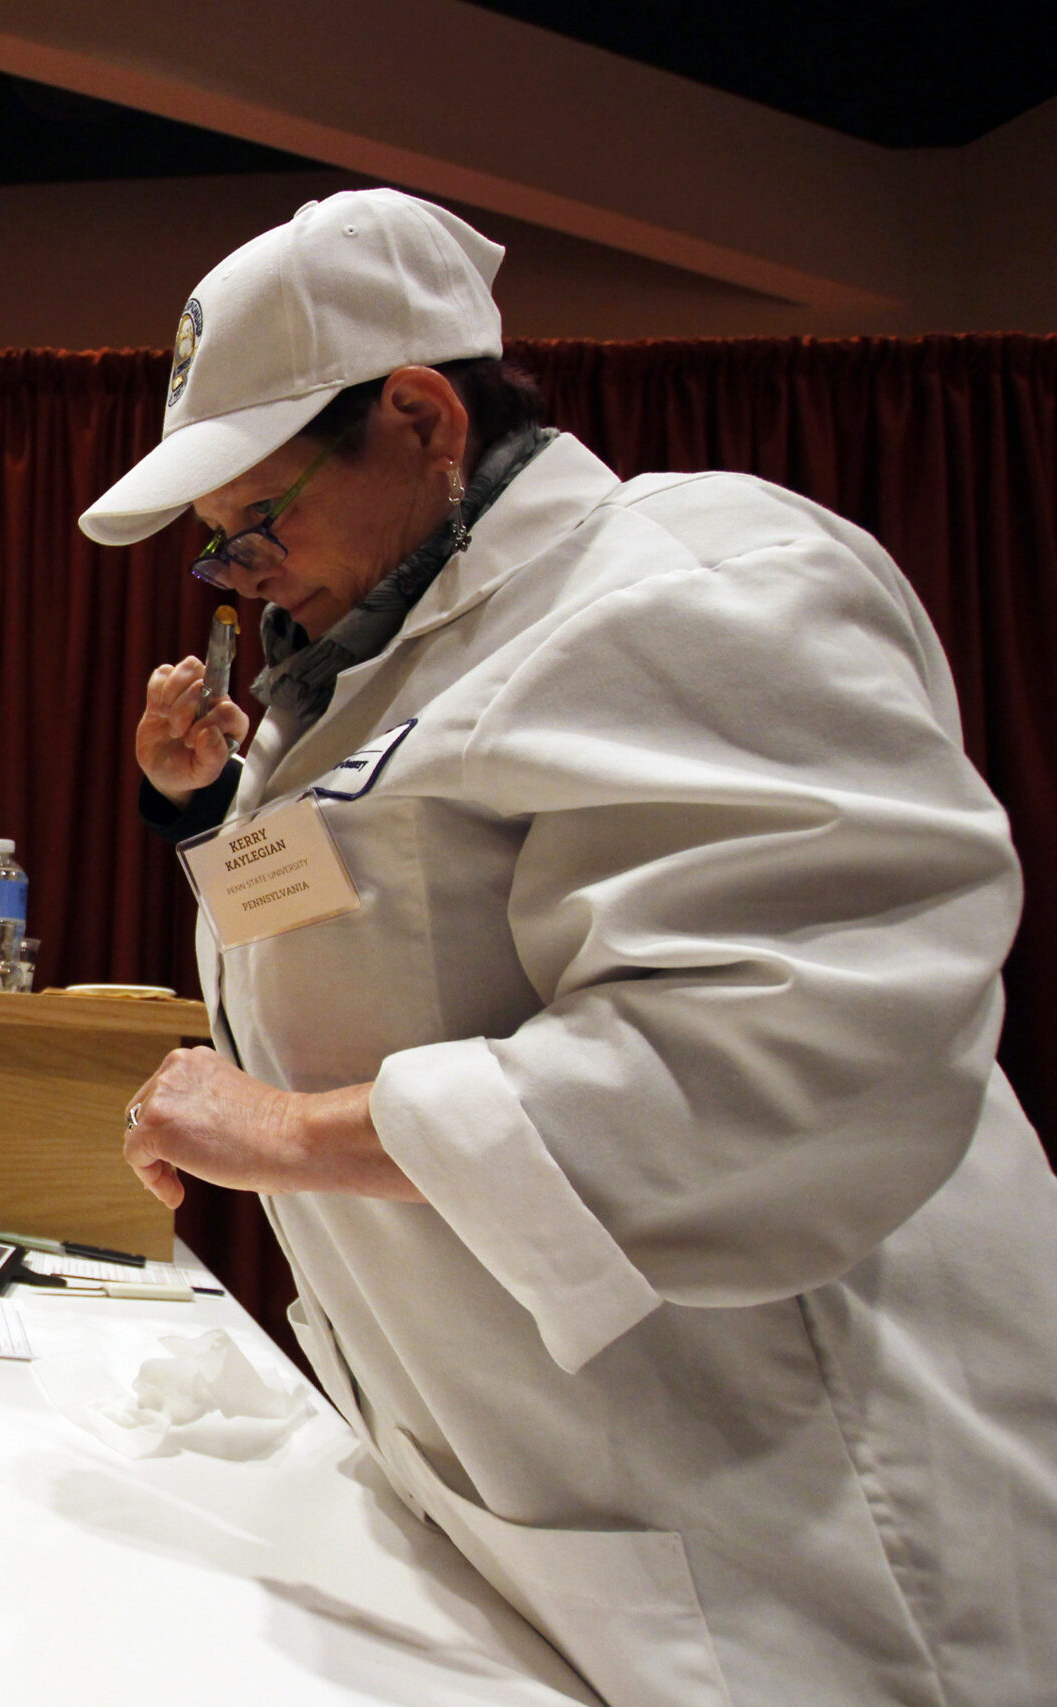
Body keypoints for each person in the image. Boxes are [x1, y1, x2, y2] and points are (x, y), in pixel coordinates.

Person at [82, 189, 1057, 1705]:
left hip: (800, 1536)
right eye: (221, 553)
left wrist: (288, 1131)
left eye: (260, 523)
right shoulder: (364, 673)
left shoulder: (682, 582)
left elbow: (771, 1051)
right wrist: (203, 815)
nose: (245, 575)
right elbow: (353, 932)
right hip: (540, 1505)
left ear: (418, 417)